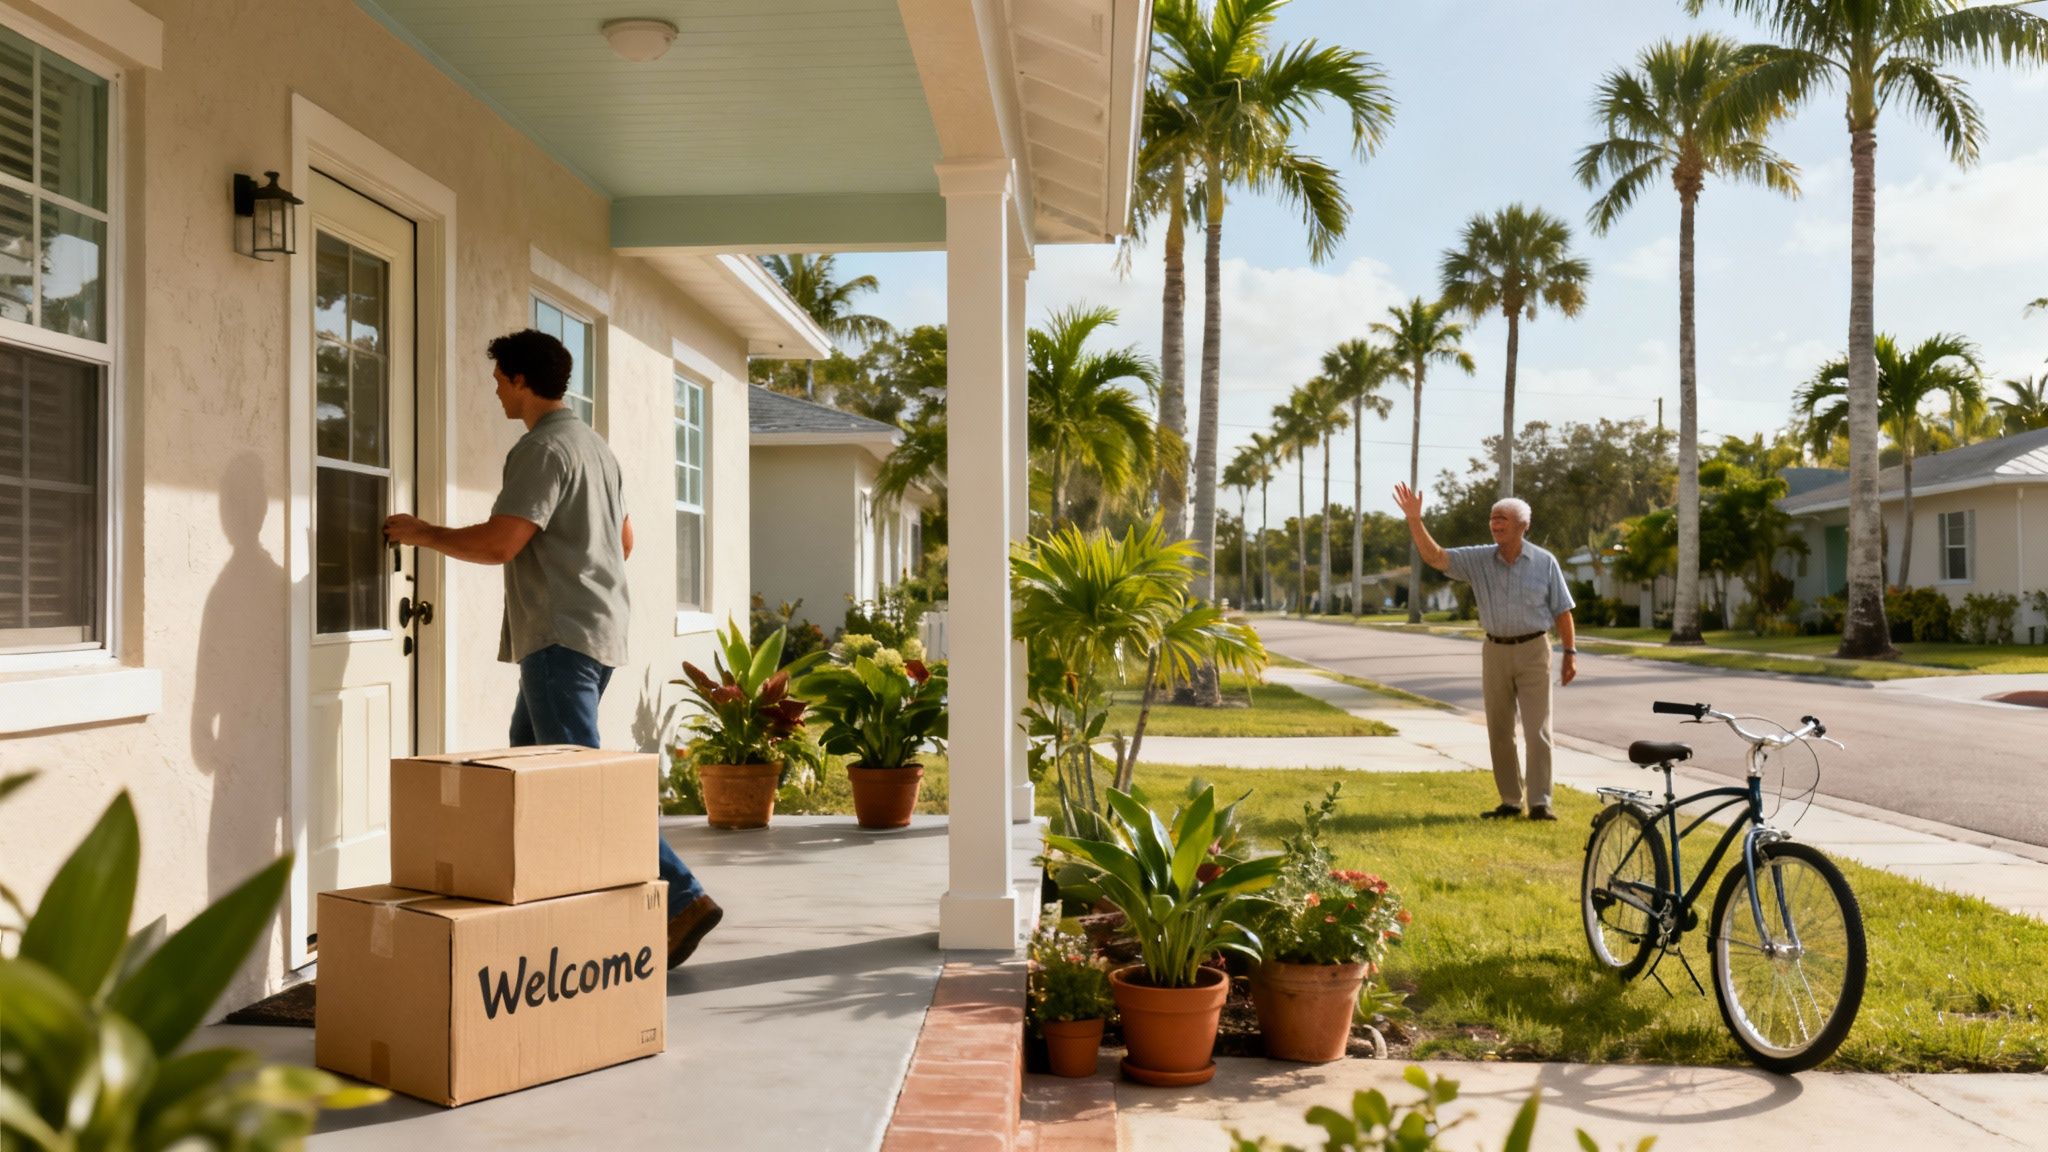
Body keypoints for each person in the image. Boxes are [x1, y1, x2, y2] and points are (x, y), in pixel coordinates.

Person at [384, 328, 723, 967]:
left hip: (559, 636)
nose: (495, 393)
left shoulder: (541, 449)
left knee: (579, 781)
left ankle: (683, 898)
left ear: (518, 379)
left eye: (497, 382)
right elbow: (622, 543)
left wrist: (423, 533)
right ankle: (553, 907)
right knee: (531, 768)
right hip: (595, 631)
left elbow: (501, 543)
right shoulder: (594, 447)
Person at [1392, 482, 1577, 821]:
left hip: (1535, 649)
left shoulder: (1545, 562)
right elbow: (1435, 557)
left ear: (1523, 525)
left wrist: (1570, 653)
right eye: (1493, 518)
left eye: (1502, 518)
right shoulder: (1478, 559)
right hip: (1495, 651)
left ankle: (1540, 803)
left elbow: (1563, 610)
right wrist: (1415, 520)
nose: (1495, 524)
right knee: (1499, 728)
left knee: (1538, 731)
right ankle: (1510, 800)